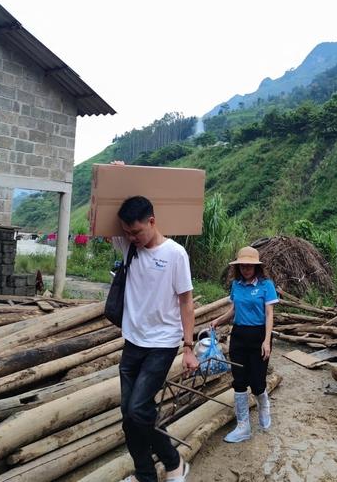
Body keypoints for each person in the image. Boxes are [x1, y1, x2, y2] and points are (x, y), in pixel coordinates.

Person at [112, 194, 198, 482]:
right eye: (127, 232)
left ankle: (174, 462)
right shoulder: (127, 246)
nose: (131, 237)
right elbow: (96, 218)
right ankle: (145, 475)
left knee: (138, 409)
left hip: (162, 344)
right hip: (133, 341)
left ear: (152, 221)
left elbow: (186, 302)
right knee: (128, 416)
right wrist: (117, 176)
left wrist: (188, 347)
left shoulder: (175, 254)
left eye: (136, 231)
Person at [210, 246, 278, 442]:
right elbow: (233, 310)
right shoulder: (237, 285)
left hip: (259, 336)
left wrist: (266, 341)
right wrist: (218, 321)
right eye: (242, 266)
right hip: (238, 335)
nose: (246, 269)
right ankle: (243, 427)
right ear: (238, 267)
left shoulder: (266, 285)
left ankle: (264, 407)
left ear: (257, 267)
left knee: (257, 383)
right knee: (239, 381)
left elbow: (269, 314)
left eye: (250, 266)